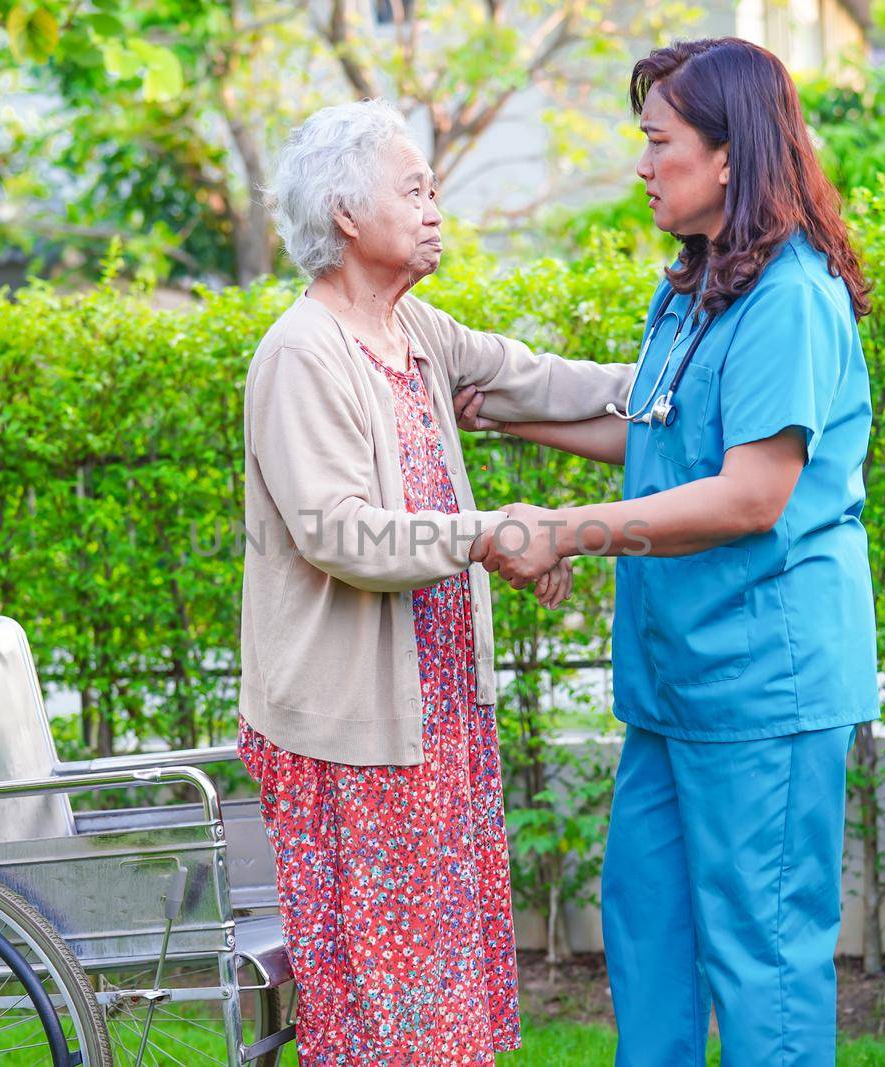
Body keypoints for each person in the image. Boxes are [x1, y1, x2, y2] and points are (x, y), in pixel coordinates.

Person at [459, 38, 879, 1067]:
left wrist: (561, 530)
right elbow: (656, 431)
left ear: (729, 155)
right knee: (649, 940)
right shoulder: (697, 287)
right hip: (673, 686)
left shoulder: (790, 295)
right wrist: (502, 416)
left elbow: (749, 493)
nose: (641, 166)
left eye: (659, 143)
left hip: (761, 686)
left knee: (762, 962)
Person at [238, 99, 632, 1065]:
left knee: (443, 988)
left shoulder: (415, 331)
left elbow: (538, 381)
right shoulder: (302, 351)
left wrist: (685, 380)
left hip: (437, 717)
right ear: (344, 213)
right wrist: (490, 531)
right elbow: (339, 533)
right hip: (352, 735)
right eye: (412, 188)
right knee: (384, 1005)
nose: (433, 205)